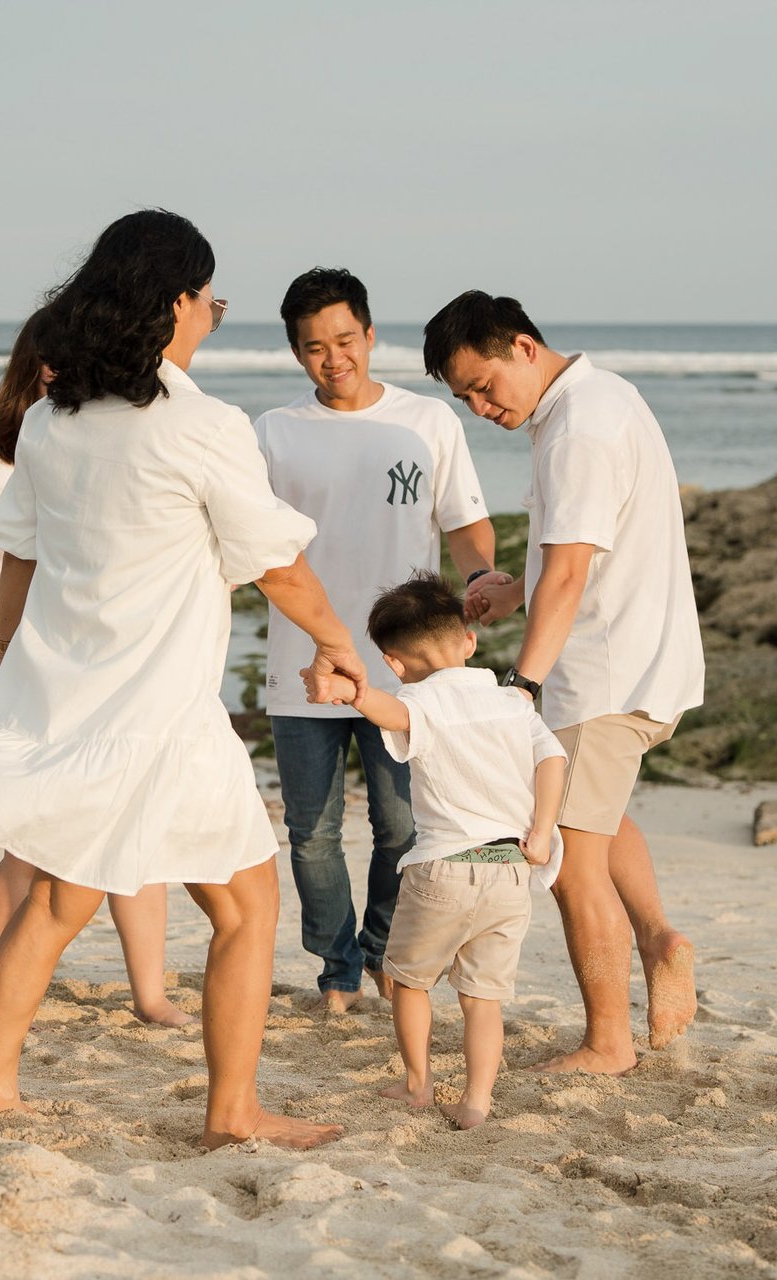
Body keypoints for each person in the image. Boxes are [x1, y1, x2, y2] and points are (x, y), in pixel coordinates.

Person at [0, 209, 361, 1149]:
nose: (209, 316)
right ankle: (233, 1112)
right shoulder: (200, 425)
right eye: (206, 299)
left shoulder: (47, 419)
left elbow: (20, 561)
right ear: (174, 303)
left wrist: (6, 669)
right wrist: (340, 646)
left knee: (58, 898)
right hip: (161, 715)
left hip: (65, 701)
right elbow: (275, 564)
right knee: (246, 906)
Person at [422, 290, 703, 1073]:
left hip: (604, 676)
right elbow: (580, 551)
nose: (480, 408)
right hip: (641, 664)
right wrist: (517, 590)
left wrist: (522, 683)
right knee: (595, 823)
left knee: (567, 864)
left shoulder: (577, 429)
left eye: (485, 385)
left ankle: (608, 1043)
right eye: (464, 398)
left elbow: (574, 571)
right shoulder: (601, 399)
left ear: (521, 346)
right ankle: (658, 939)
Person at [0, 311, 188, 1027]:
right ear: (32, 369)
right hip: (28, 678)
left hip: (112, 676)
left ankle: (149, 995)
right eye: (56, 366)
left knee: (136, 827)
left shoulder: (94, 444)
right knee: (28, 852)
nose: (68, 378)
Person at [255, 268, 497, 1013]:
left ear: (368, 333)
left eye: (345, 340)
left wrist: (480, 586)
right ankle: (337, 973)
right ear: (297, 353)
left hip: (405, 671)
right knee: (311, 834)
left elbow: (462, 523)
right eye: (315, 348)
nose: (334, 359)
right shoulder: (273, 433)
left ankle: (386, 956)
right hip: (306, 666)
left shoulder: (426, 423)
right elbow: (249, 547)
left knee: (400, 827)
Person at [307, 573, 565, 1129]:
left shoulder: (417, 699)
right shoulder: (512, 703)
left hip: (444, 870)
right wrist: (541, 832)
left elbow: (393, 716)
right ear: (469, 642)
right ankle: (476, 1102)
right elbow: (553, 761)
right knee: (482, 999)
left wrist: (352, 692)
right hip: (510, 869)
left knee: (408, 980)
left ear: (395, 663)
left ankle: (418, 1084)